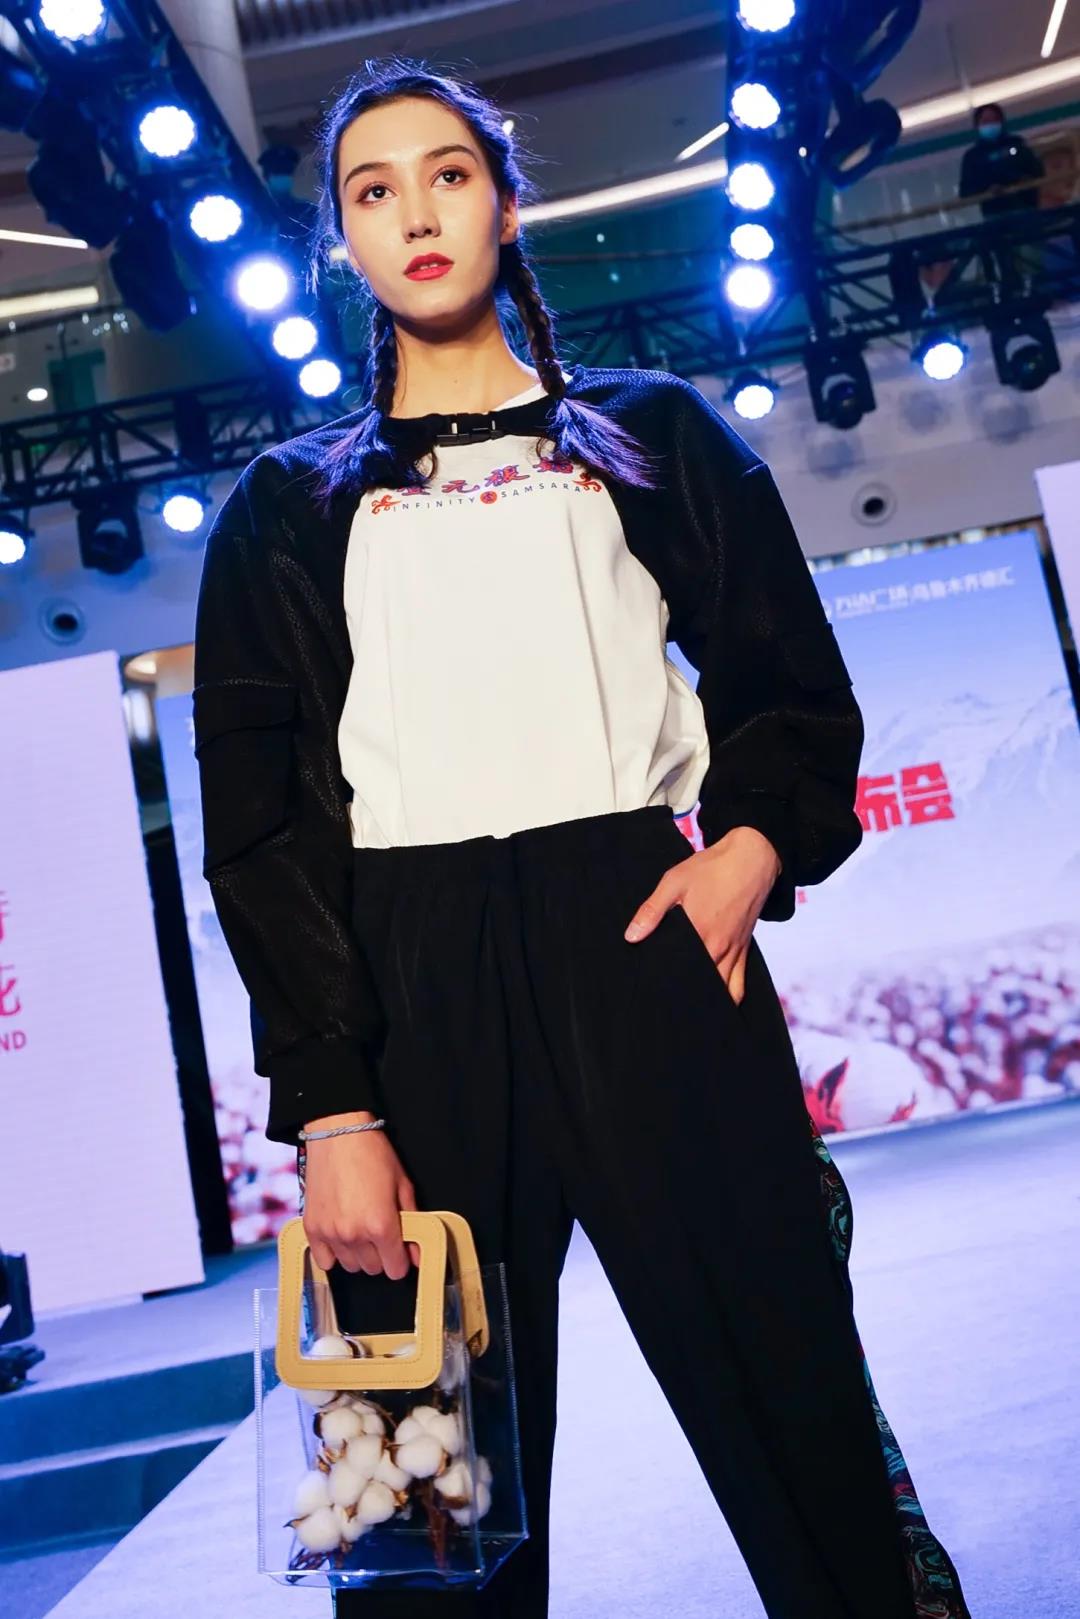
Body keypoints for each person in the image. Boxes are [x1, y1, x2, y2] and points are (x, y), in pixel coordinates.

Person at [192, 55, 973, 1619]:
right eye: (372, 190)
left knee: (796, 1403)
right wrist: (333, 1101)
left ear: (505, 201)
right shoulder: (288, 506)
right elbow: (260, 828)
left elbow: (786, 680)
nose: (417, 212)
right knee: (423, 1492)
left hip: (644, 937)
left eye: (448, 174)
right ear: (343, 239)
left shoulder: (650, 432)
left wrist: (748, 847)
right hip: (406, 992)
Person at [959, 102, 1044, 219]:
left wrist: (1024, 180)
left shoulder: (1016, 144)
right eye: (985, 121)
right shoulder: (973, 156)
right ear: (977, 126)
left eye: (994, 120)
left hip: (1026, 207)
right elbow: (965, 191)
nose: (990, 124)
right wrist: (987, 190)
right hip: (995, 215)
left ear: (1002, 122)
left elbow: (1037, 171)